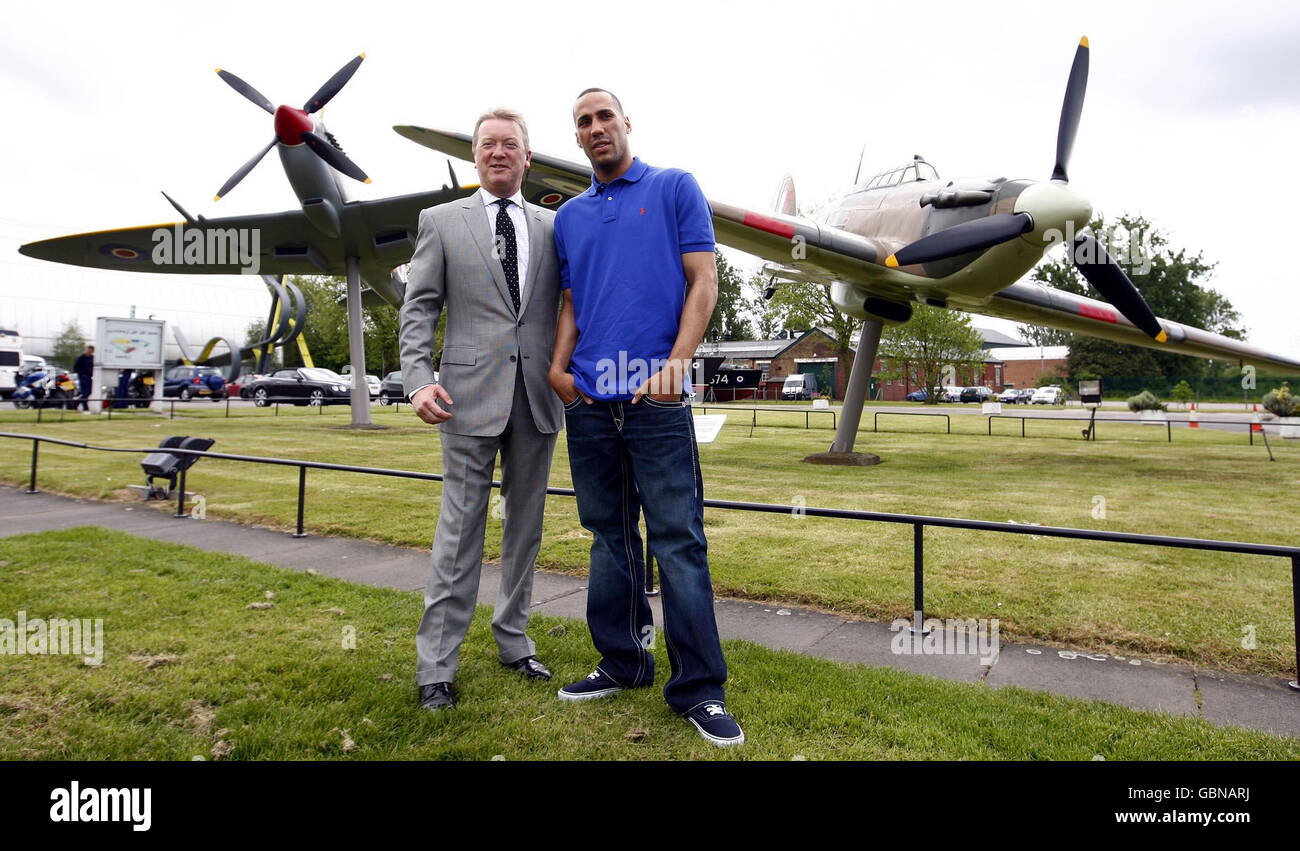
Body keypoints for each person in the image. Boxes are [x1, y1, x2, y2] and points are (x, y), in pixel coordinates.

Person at [548, 88, 744, 747]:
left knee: (678, 542)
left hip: (656, 402)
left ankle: (699, 689)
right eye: (584, 122)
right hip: (592, 405)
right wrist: (560, 369)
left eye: (606, 116)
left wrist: (677, 364)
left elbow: (703, 281)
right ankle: (624, 661)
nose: (597, 128)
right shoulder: (569, 218)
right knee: (609, 538)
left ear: (627, 123)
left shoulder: (674, 188)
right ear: (576, 138)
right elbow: (573, 302)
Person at [399, 108, 563, 712]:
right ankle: (436, 666)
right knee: (459, 531)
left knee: (525, 529)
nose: (498, 152)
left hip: (538, 400)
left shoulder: (554, 227)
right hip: (463, 400)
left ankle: (514, 640)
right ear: (476, 155)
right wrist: (416, 380)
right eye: (488, 144)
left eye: (510, 145)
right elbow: (418, 307)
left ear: (527, 157)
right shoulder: (440, 222)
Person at [73, 345, 94, 412]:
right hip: (83, 377)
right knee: (86, 392)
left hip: (89, 377)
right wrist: (82, 373)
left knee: (88, 392)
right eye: (89, 351)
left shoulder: (92, 358)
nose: (89, 353)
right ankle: (79, 404)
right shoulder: (81, 358)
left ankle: (82, 405)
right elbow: (76, 368)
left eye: (91, 351)